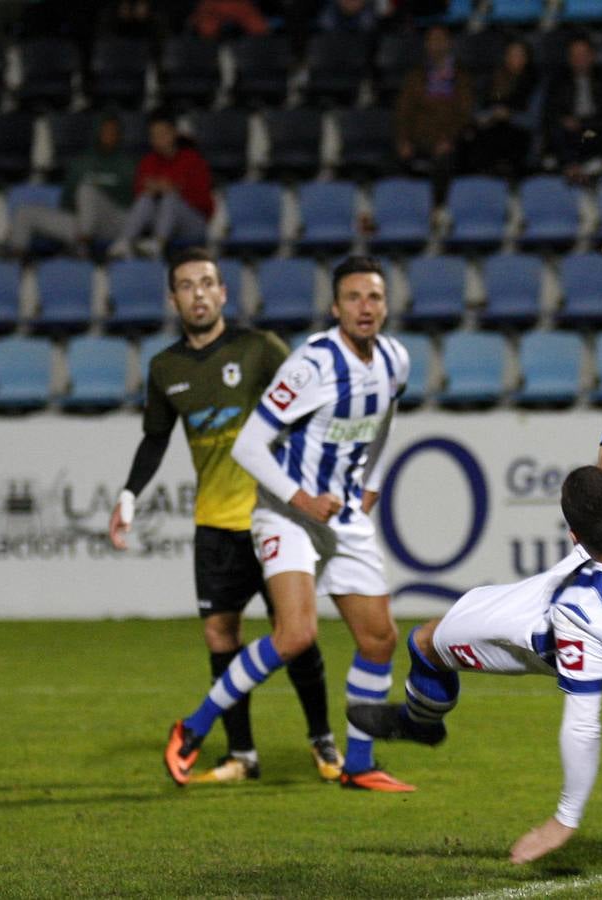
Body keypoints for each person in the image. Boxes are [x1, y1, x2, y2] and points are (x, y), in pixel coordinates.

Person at [350, 234, 602, 863]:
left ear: (573, 536)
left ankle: (422, 723)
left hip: (545, 635)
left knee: (425, 642)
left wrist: (563, 822)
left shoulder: (574, 619)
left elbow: (583, 723)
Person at [163, 256, 415, 793]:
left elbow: (384, 422)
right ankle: (193, 727)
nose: (365, 308)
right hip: (285, 512)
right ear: (335, 308)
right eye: (353, 298)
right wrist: (300, 497)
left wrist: (371, 480)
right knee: (296, 634)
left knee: (379, 639)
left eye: (374, 297)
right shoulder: (311, 365)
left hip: (341, 515)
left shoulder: (395, 359)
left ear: (386, 305)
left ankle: (360, 764)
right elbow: (249, 444)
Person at [109, 248, 341, 784]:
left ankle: (322, 741)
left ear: (223, 293)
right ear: (173, 299)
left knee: (297, 633)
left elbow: (308, 413)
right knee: (221, 636)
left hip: (275, 519)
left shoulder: (260, 350)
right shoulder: (165, 368)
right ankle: (241, 754)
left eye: (207, 283)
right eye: (187, 286)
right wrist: (128, 496)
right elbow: (155, 439)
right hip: (215, 523)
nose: (198, 293)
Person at [7, 114, 135, 258]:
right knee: (23, 213)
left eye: (113, 132)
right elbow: (66, 202)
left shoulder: (128, 165)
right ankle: (14, 265)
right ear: (97, 133)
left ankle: (82, 247)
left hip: (114, 224)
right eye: (105, 131)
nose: (109, 135)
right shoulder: (81, 163)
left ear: (119, 135)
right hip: (81, 226)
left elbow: (132, 207)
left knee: (87, 191)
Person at [108, 111, 214, 260]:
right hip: (160, 220)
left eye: (162, 134)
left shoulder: (192, 159)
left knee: (170, 198)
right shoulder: (148, 162)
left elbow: (205, 202)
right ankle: (124, 241)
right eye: (154, 135)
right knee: (146, 198)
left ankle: (157, 244)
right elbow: (139, 197)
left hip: (192, 222)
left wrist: (175, 189)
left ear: (174, 134)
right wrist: (152, 190)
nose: (158, 139)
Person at [394, 25, 475, 206]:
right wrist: (403, 140)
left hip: (448, 141)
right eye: (432, 40)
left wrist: (449, 140)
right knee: (394, 161)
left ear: (449, 43)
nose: (436, 45)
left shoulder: (461, 77)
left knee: (445, 162)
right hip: (418, 139)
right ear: (426, 45)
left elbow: (464, 113)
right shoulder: (415, 76)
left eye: (440, 40)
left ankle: (438, 210)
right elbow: (403, 111)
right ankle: (405, 211)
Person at [542, 35, 602, 185]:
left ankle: (589, 168)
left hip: (593, 130)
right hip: (569, 133)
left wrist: (583, 123)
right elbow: (549, 112)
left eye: (583, 55)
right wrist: (565, 121)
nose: (579, 59)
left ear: (592, 56)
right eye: (575, 55)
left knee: (596, 135)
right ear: (569, 58)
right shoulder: (558, 80)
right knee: (556, 132)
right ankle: (572, 167)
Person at [469, 39, 541, 179]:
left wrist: (510, 116)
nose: (515, 59)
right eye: (511, 55)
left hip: (520, 139)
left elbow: (534, 121)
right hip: (490, 137)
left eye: (520, 55)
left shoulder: (535, 83)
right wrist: (492, 115)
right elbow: (476, 115)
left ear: (528, 58)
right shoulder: (490, 81)